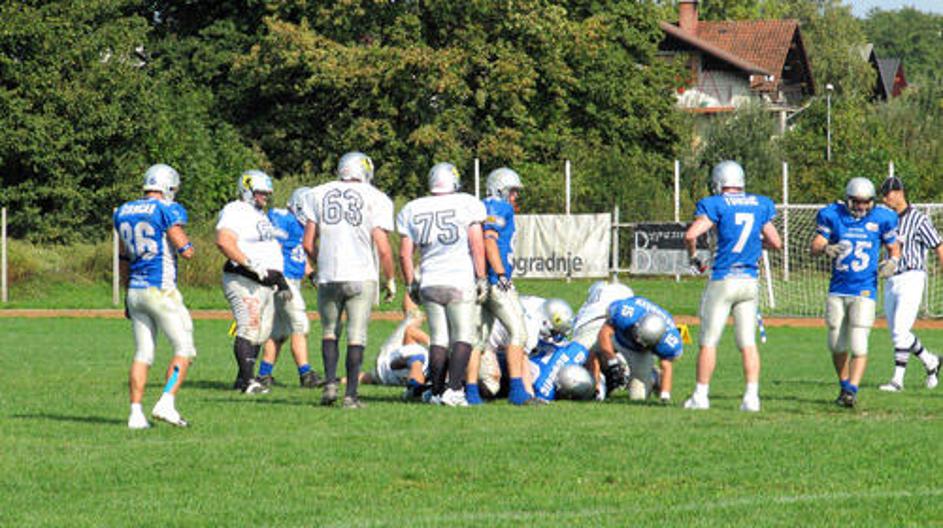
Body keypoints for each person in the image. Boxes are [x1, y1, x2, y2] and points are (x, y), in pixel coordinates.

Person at [683, 160, 782, 412]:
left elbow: (691, 234)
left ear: (718, 182)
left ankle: (701, 395)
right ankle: (751, 397)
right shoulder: (760, 204)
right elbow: (776, 242)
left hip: (724, 279)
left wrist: (693, 257)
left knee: (709, 341)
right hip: (749, 281)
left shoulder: (715, 204)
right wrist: (756, 246)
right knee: (748, 342)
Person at [302, 152, 396, 409]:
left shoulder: (317, 193)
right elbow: (383, 247)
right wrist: (390, 278)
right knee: (357, 335)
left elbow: (307, 243)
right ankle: (350, 395)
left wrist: (321, 263)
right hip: (361, 274)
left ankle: (330, 385)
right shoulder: (376, 197)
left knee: (329, 331)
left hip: (329, 275)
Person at [397, 162, 487, 407]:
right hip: (458, 279)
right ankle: (454, 389)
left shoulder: (413, 208)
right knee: (464, 336)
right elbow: (476, 244)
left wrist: (411, 283)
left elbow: (405, 254)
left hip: (430, 280)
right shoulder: (467, 203)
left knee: (439, 339)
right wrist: (481, 276)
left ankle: (436, 392)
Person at [115, 163, 196, 429]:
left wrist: (126, 292)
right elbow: (185, 249)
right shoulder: (164, 209)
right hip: (160, 289)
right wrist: (188, 244)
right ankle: (166, 402)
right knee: (184, 349)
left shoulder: (123, 211)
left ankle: (135, 414)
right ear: (168, 186)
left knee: (143, 352)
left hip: (135, 290)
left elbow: (123, 257)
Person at [811, 177, 900, 407]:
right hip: (838, 289)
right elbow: (816, 245)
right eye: (857, 201)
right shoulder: (833, 215)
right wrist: (826, 247)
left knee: (859, 342)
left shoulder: (882, 218)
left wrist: (893, 262)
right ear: (848, 199)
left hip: (864, 289)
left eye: (866, 201)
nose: (861, 206)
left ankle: (852, 390)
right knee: (836, 344)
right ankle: (844, 385)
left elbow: (894, 248)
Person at [216, 169, 290, 394]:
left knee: (261, 332)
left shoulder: (259, 214)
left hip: (265, 282)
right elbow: (224, 241)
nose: (265, 197)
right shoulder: (235, 209)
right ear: (247, 190)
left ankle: (243, 379)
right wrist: (250, 264)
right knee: (249, 327)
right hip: (244, 278)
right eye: (260, 192)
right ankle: (249, 382)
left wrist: (280, 280)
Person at [876, 177, 943, 391]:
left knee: (900, 330)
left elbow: (938, 245)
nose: (884, 200)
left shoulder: (918, 219)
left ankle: (897, 381)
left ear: (899, 193)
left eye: (887, 195)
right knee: (898, 333)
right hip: (891, 279)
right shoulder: (886, 219)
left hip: (912, 277)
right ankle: (931, 361)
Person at [255, 187, 321, 392]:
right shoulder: (285, 219)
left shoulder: (301, 226)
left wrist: (311, 274)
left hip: (290, 279)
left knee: (279, 332)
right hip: (283, 280)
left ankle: (264, 375)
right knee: (300, 324)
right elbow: (273, 249)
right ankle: (306, 374)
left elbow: (298, 255)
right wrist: (279, 279)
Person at [480, 167, 532, 405]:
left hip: (483, 280)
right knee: (518, 333)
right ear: (500, 189)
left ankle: (469, 390)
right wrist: (500, 274)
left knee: (479, 338)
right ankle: (518, 391)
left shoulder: (483, 206)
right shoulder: (499, 207)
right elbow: (489, 241)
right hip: (496, 281)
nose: (515, 196)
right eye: (512, 191)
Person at [471, 296, 576, 403]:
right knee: (491, 384)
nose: (556, 336)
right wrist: (529, 395)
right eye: (554, 332)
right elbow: (521, 360)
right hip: (480, 339)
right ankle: (465, 385)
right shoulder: (531, 328)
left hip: (488, 326)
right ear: (545, 323)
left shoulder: (543, 306)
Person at [587, 295, 682, 404]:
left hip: (640, 354)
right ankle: (597, 384)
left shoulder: (669, 340)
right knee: (594, 351)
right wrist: (612, 361)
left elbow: (666, 365)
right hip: (618, 338)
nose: (638, 341)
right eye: (638, 337)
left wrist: (665, 395)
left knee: (638, 397)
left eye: (643, 342)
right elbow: (604, 334)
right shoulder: (627, 312)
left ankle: (653, 376)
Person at [571, 279, 636, 398]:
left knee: (589, 357)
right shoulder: (624, 297)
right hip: (612, 330)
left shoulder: (587, 307)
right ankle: (621, 370)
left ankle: (598, 385)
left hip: (586, 329)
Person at [361, 295, 431, 400]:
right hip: (384, 376)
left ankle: (411, 288)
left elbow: (410, 331)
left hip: (386, 362)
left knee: (414, 317)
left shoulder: (420, 354)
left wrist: (433, 343)